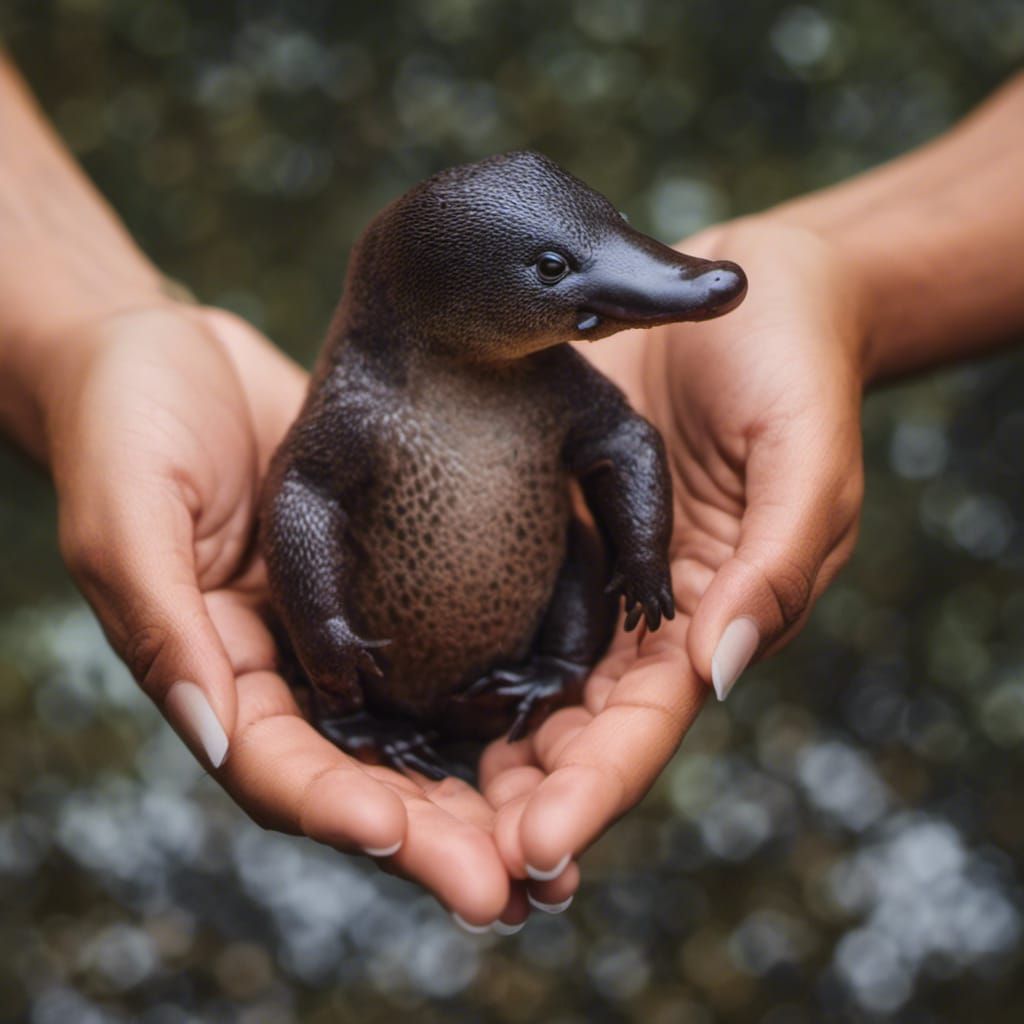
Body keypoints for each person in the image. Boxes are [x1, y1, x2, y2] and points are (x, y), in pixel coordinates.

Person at [1, 53, 1022, 932]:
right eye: (553, 269)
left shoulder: (550, 384)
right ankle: (359, 718)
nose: (689, 284)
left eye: (608, 231)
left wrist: (638, 557)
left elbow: (624, 440)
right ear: (446, 299)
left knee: (579, 568)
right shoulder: (364, 401)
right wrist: (317, 629)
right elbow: (304, 503)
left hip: (539, 639)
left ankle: (557, 658)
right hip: (368, 669)